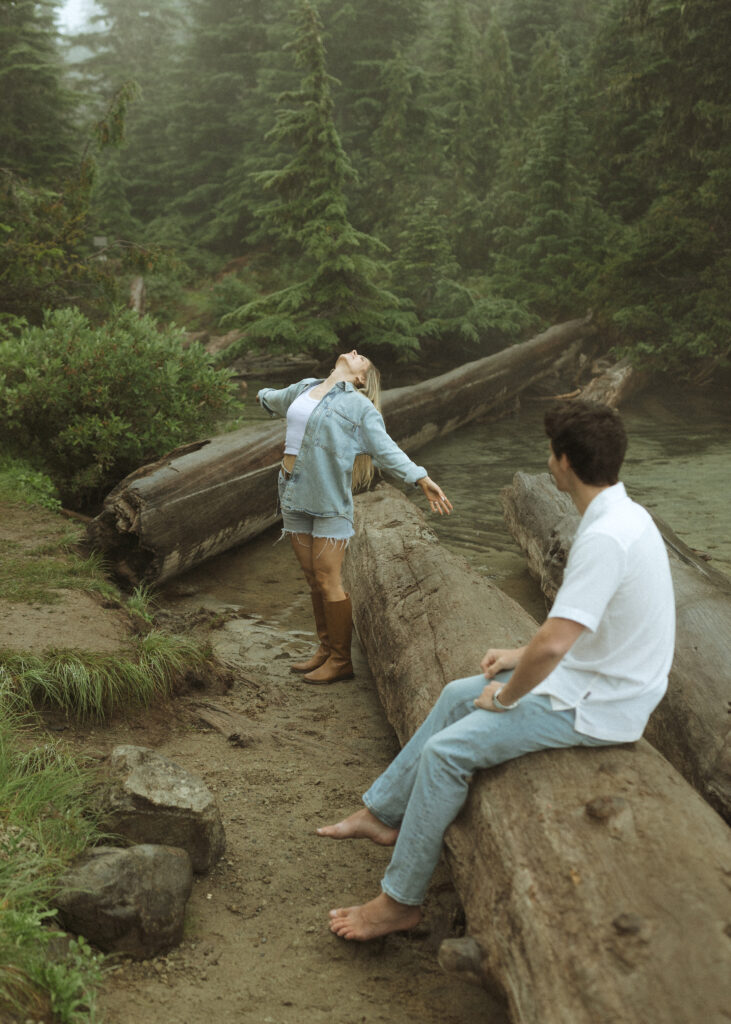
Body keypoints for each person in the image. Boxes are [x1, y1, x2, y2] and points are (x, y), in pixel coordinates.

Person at [318, 399, 676, 941]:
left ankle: (399, 901)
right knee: (460, 692)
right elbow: (579, 630)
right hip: (601, 678)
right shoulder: (624, 515)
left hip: (599, 705)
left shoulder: (604, 537)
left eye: (550, 453)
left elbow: (556, 644)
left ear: (562, 463)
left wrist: (507, 698)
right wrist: (515, 658)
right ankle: (384, 812)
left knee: (447, 754)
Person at [256, 350, 452, 685]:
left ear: (360, 379)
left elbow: (385, 449)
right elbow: (272, 401)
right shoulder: (305, 387)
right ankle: (324, 649)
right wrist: (262, 394)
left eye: (363, 360)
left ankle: (341, 660)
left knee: (328, 578)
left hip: (328, 497)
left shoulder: (359, 407)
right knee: (311, 576)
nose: (357, 353)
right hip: (292, 491)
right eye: (357, 353)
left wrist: (421, 478)